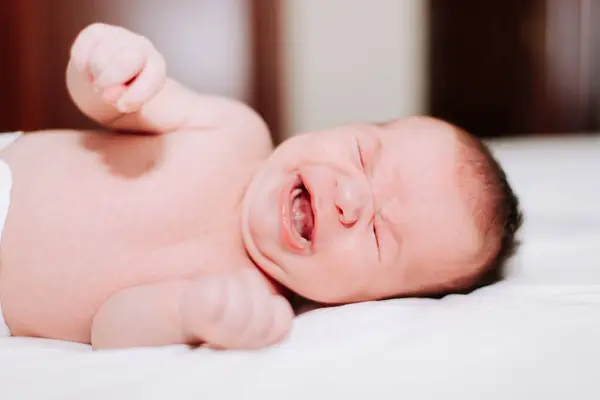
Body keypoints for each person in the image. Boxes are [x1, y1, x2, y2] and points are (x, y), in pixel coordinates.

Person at [0, 23, 523, 350]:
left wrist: (187, 314)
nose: (350, 198)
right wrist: (108, 66)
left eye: (381, 235)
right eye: (364, 155)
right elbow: (112, 105)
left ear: (363, 301)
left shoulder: (248, 297)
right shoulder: (233, 131)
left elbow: (108, 328)